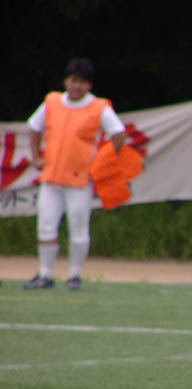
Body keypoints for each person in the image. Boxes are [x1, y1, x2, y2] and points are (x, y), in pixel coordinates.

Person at [25, 57, 126, 290]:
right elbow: (34, 127)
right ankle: (45, 274)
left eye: (81, 82)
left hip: (80, 179)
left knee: (78, 228)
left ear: (89, 85)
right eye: (73, 80)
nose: (76, 86)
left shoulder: (98, 107)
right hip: (52, 177)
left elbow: (118, 134)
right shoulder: (52, 102)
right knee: (46, 226)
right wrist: (36, 156)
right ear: (66, 81)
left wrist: (104, 163)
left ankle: (75, 275)